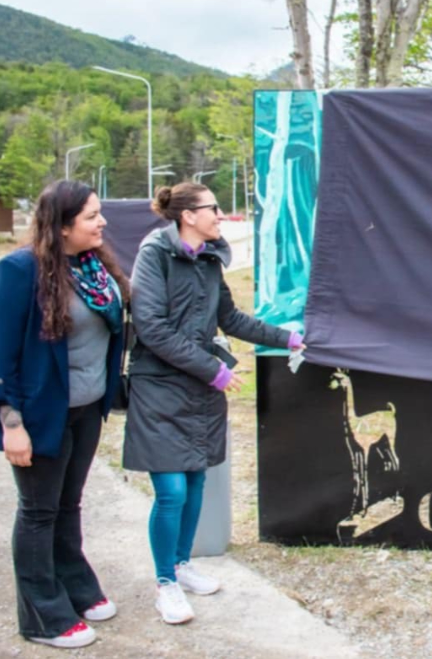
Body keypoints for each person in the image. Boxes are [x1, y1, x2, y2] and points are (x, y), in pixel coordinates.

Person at [123, 182, 303, 625]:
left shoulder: (208, 260)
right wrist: (213, 369)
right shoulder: (154, 254)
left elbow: (230, 318)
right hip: (159, 387)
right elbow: (150, 326)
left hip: (199, 390)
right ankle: (165, 584)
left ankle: (182, 565)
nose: (221, 216)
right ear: (187, 215)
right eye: (214, 209)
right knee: (171, 492)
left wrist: (289, 338)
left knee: (197, 481)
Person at [0, 180, 128, 649]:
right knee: (39, 512)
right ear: (62, 227)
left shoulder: (92, 266)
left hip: (87, 409)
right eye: (91, 216)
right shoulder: (20, 271)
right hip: (40, 414)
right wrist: (12, 425)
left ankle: (75, 587)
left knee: (69, 504)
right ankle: (42, 615)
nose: (102, 222)